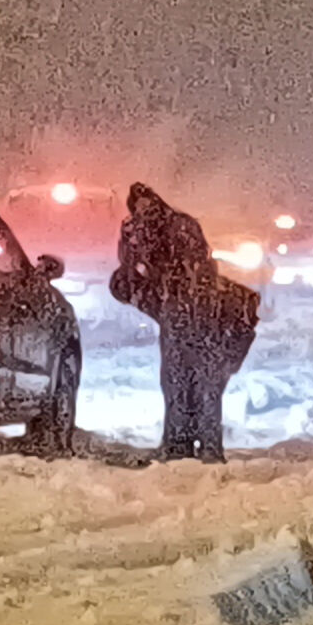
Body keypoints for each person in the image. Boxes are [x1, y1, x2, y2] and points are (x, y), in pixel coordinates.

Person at [114, 182, 261, 463]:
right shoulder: (144, 235)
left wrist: (151, 253)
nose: (143, 213)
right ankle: (179, 444)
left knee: (204, 384)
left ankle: (207, 447)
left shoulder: (179, 226)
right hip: (177, 315)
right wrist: (130, 244)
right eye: (138, 208)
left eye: (146, 206)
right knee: (176, 382)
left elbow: (193, 266)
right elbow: (131, 271)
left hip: (200, 313)